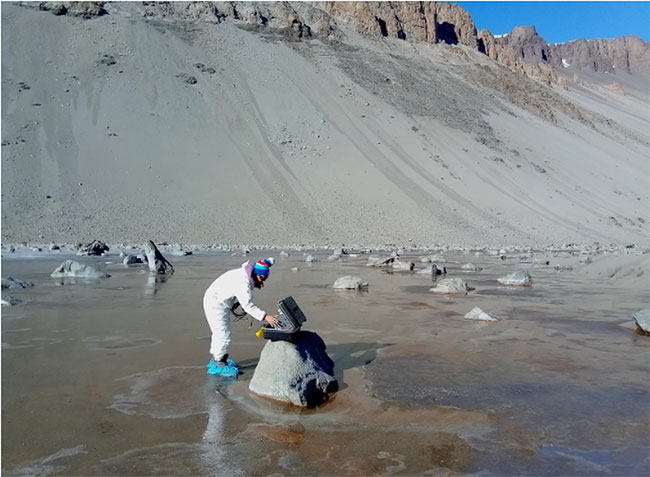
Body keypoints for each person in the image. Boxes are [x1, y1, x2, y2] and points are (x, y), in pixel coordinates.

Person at [202, 257, 279, 375]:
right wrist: (265, 316)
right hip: (215, 303)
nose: (262, 282)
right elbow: (248, 305)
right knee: (222, 334)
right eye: (262, 278)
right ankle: (218, 363)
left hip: (218, 300)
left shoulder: (245, 275)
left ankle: (218, 359)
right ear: (255, 274)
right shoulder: (242, 282)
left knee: (220, 333)